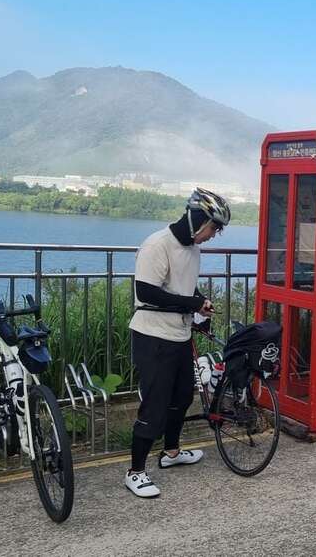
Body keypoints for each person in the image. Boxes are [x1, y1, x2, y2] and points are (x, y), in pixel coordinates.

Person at [124, 188, 231, 498]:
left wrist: (199, 308)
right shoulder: (158, 245)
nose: (213, 235)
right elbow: (147, 292)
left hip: (179, 335)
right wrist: (191, 304)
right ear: (197, 219)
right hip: (152, 336)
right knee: (155, 406)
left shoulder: (193, 250)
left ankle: (171, 453)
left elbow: (184, 289)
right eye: (213, 228)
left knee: (183, 396)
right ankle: (135, 472)